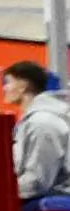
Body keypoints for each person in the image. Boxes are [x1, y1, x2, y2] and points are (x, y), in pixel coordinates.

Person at [8, 61, 70, 202]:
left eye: (8, 82)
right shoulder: (33, 121)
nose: (4, 88)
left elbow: (38, 180)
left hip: (52, 207)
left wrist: (0, 192)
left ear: (22, 86)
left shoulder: (42, 123)